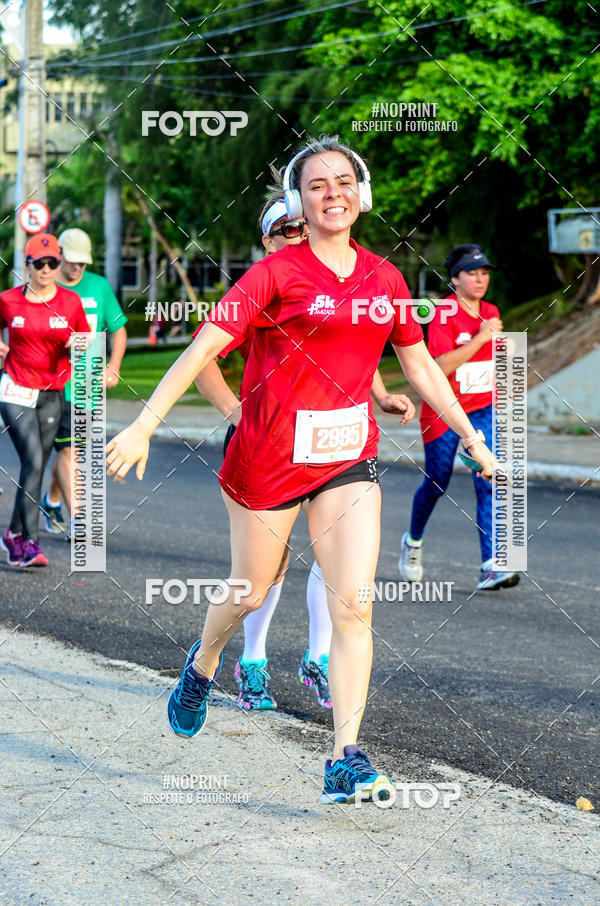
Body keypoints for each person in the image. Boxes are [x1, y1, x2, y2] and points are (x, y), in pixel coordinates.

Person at [107, 136, 496, 805]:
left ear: (361, 194)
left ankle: (344, 757)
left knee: (355, 602)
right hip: (268, 457)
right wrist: (144, 423)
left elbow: (421, 366)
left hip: (348, 457)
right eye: (317, 185)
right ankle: (204, 662)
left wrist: (470, 437)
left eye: (343, 181)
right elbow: (201, 350)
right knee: (251, 590)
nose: (332, 193)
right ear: (300, 202)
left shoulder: (385, 279)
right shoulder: (274, 275)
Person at [193, 178, 416, 711]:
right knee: (266, 572)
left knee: (337, 561)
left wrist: (380, 394)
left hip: (336, 445)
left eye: (300, 225)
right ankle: (248, 662)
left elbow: (351, 346)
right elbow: (201, 360)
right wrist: (237, 413)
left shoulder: (339, 279)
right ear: (266, 240)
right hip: (266, 441)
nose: (296, 234)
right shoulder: (263, 285)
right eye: (285, 228)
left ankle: (320, 658)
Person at [398, 244, 520, 591]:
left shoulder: (491, 311)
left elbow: (493, 359)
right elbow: (438, 366)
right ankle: (413, 541)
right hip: (444, 412)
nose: (480, 279)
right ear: (454, 279)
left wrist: (504, 348)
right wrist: (482, 337)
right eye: (471, 273)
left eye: (484, 273)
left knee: (488, 479)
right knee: (438, 481)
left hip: (481, 408)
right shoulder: (443, 313)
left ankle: (491, 566)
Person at [0, 233, 89, 567]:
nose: (47, 269)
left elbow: (86, 338)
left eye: (53, 263)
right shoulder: (8, 300)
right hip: (15, 388)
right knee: (34, 461)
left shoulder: (70, 302)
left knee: (33, 466)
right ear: (27, 265)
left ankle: (12, 535)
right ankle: (29, 543)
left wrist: (80, 345)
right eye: (40, 263)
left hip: (52, 393)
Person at [40, 228, 127, 537]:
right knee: (68, 451)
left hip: (86, 386)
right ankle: (78, 518)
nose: (77, 267)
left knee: (69, 450)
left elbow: (118, 330)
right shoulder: (45, 286)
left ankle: (52, 502)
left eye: (82, 262)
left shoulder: (99, 287)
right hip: (50, 385)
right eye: (72, 260)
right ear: (59, 255)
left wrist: (114, 366)